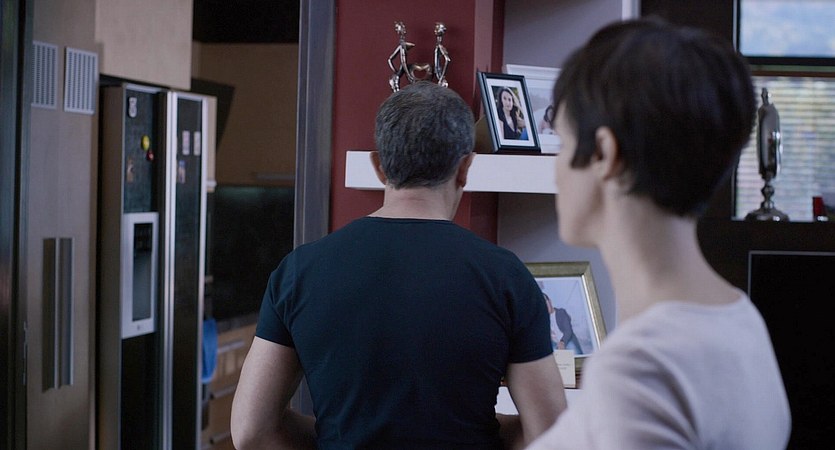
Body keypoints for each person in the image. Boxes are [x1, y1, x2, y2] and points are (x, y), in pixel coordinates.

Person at [231, 81, 566, 450]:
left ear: (379, 166)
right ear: (465, 168)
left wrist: (333, 436)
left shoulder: (299, 271)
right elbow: (549, 432)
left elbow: (251, 431)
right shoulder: (506, 277)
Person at [527, 18, 791, 449]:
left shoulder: (641, 366)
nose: (556, 171)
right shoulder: (741, 320)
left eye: (563, 143)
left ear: (604, 154)